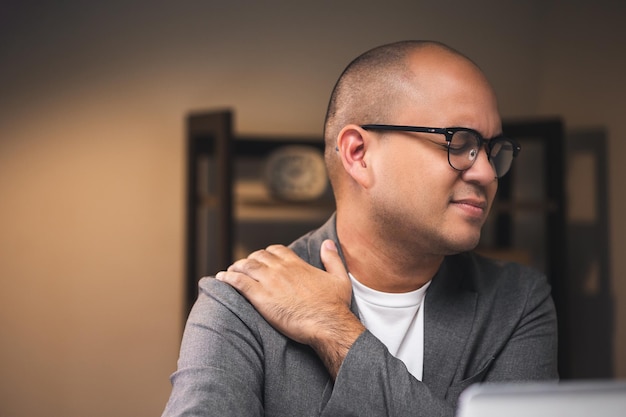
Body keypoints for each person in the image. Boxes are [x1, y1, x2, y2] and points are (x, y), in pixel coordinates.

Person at [162, 40, 558, 417]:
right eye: (459, 142)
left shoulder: (518, 302)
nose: (488, 172)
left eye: (493, 149)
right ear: (358, 154)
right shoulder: (239, 305)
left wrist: (337, 331)